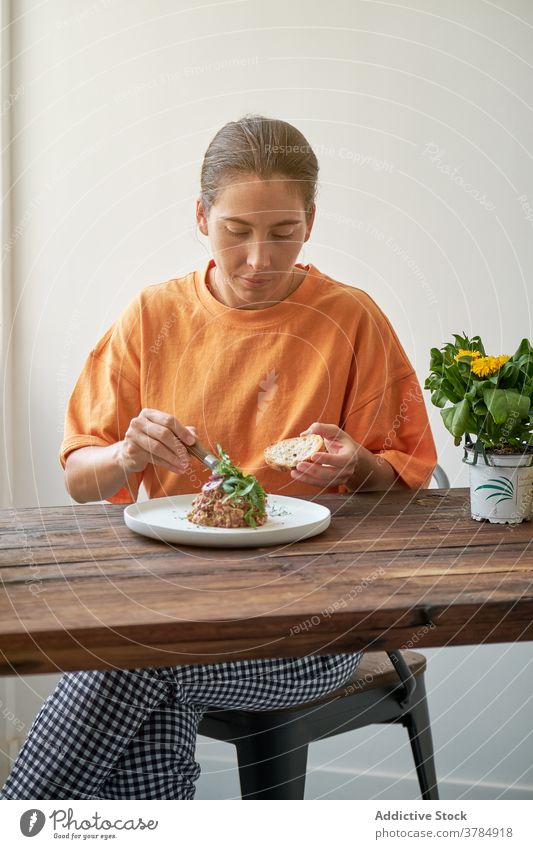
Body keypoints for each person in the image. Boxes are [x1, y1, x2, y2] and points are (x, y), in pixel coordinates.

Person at [0, 115, 437, 800]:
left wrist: (356, 464)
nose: (259, 258)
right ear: (201, 216)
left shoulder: (352, 319)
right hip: (171, 607)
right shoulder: (151, 315)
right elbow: (80, 476)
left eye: (282, 232)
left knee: (129, 661)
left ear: (311, 222)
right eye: (236, 231)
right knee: (147, 670)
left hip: (314, 628)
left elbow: (406, 481)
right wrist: (124, 454)